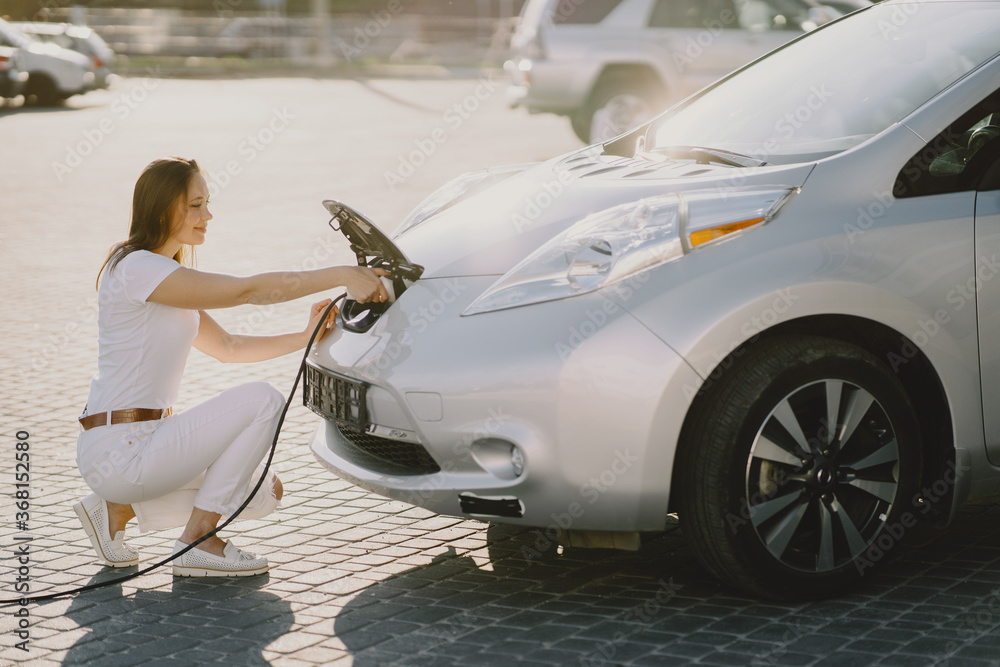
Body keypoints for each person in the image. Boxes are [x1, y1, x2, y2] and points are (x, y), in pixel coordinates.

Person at [73, 156, 388, 577]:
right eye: (196, 205)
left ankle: (116, 509)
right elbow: (248, 291)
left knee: (263, 493)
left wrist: (305, 336)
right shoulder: (138, 268)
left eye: (207, 203)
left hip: (140, 443)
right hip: (122, 446)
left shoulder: (163, 277)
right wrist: (343, 274)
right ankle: (199, 541)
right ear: (165, 207)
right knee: (264, 401)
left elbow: (228, 346)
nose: (208, 215)